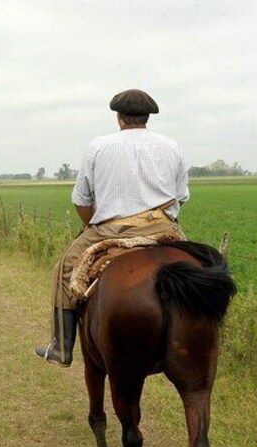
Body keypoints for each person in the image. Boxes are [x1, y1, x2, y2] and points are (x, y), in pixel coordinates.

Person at [35, 89, 189, 367]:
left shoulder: (99, 146)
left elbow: (82, 201)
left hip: (110, 230)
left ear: (119, 118)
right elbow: (180, 198)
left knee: (64, 268)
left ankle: (61, 346)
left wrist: (91, 224)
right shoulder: (172, 147)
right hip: (162, 229)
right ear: (147, 118)